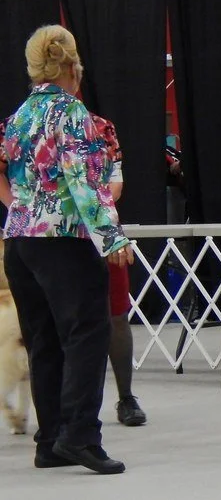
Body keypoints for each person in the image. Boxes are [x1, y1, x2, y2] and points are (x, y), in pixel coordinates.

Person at [0, 25, 133, 474]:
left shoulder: (18, 116)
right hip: (64, 241)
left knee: (43, 342)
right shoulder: (73, 113)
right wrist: (112, 236)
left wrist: (20, 206)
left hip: (19, 241)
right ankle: (80, 437)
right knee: (86, 334)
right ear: (74, 66)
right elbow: (86, 183)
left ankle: (50, 440)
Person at [91, 115, 147, 427]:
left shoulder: (102, 127)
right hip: (54, 235)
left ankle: (126, 396)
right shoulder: (23, 124)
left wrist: (98, 211)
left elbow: (117, 181)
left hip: (102, 228)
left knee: (117, 313)